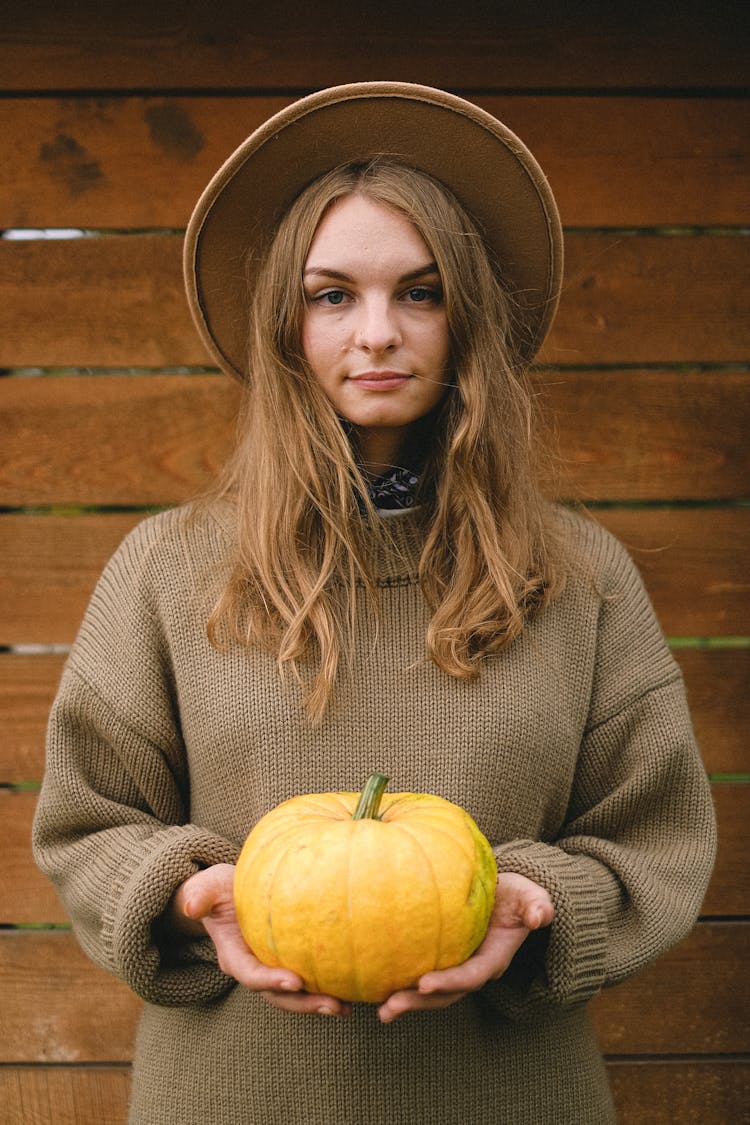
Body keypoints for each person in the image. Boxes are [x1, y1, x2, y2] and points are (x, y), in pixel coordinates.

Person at [33, 82, 716, 1125]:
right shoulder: (167, 570)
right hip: (232, 1097)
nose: (379, 333)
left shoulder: (581, 576)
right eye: (333, 294)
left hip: (508, 1097)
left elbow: (653, 834)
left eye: (422, 292)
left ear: (467, 318)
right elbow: (90, 822)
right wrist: (190, 889)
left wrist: (534, 900)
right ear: (285, 323)